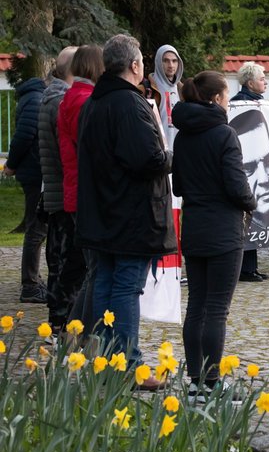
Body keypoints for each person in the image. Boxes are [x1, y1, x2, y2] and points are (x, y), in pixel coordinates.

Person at [76, 33, 174, 388]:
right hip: (129, 214)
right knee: (125, 287)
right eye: (143, 64)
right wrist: (171, 158)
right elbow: (146, 159)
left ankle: (106, 360)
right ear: (134, 66)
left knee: (105, 282)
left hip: (101, 210)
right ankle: (127, 365)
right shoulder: (128, 105)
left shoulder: (95, 102)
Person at [171, 71, 256, 399]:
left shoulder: (183, 135)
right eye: (226, 95)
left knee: (197, 305)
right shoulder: (224, 134)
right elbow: (237, 186)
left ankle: (195, 381)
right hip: (223, 230)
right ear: (216, 99)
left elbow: (178, 185)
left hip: (193, 227)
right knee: (217, 308)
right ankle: (212, 382)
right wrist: (252, 201)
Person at [38, 46, 86, 332]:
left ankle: (59, 319)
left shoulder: (52, 98)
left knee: (60, 259)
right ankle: (61, 321)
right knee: (66, 262)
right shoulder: (61, 101)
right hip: (63, 192)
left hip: (56, 191)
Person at [59, 45, 104, 329]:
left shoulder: (75, 97)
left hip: (77, 190)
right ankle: (77, 331)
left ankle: (77, 331)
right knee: (96, 270)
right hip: (86, 193)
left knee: (94, 269)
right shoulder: (83, 101)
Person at [4, 74, 47, 303]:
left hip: (32, 169)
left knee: (37, 227)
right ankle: (29, 284)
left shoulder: (31, 97)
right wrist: (10, 164)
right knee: (36, 228)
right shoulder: (35, 99)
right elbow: (24, 135)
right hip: (34, 171)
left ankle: (33, 280)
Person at [230, 61, 269, 282]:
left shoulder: (258, 103)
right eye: (262, 78)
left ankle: (250, 267)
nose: (266, 81)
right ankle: (245, 269)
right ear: (249, 82)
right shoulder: (240, 104)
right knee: (246, 217)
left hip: (257, 167)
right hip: (246, 167)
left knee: (253, 217)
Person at [145, 44, 184, 145]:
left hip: (179, 151)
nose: (171, 65)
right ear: (158, 62)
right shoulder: (148, 89)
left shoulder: (182, 90)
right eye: (166, 60)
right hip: (157, 150)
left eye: (174, 61)